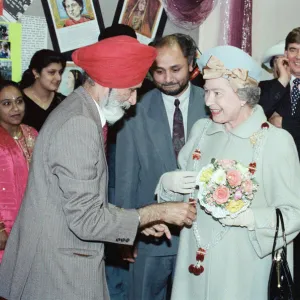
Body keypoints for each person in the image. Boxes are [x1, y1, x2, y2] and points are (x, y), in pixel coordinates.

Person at [0, 36, 197, 300]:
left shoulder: (79, 110)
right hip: (60, 272)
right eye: (130, 90)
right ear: (108, 84)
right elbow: (86, 220)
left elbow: (81, 202)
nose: (133, 100)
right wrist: (154, 212)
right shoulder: (79, 124)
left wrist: (137, 222)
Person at [155, 45, 300, 300]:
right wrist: (167, 187)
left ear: (243, 95)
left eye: (217, 93)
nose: (208, 100)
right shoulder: (201, 131)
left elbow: (294, 214)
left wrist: (252, 218)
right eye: (207, 92)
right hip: (192, 268)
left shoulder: (276, 142)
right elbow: (183, 204)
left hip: (242, 273)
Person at [114, 33, 208, 300]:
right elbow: (125, 176)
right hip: (151, 235)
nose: (167, 79)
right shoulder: (134, 109)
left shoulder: (213, 103)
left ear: (192, 64)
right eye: (159, 71)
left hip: (202, 235)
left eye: (175, 69)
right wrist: (125, 233)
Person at [259, 26, 300, 297]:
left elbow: (274, 122)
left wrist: (284, 123)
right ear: (284, 54)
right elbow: (254, 117)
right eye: (293, 50)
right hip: (273, 186)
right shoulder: (268, 88)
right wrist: (282, 81)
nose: (298, 57)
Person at [0, 80, 38, 262]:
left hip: (31, 220)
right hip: (5, 224)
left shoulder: (32, 133)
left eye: (19, 101)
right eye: (6, 104)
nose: (15, 108)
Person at [20, 49, 66, 131]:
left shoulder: (64, 102)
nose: (58, 78)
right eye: (52, 72)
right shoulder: (19, 100)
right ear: (36, 72)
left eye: (60, 72)